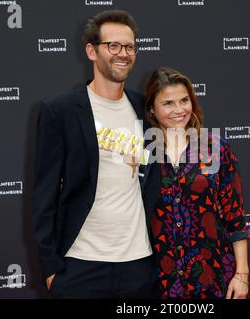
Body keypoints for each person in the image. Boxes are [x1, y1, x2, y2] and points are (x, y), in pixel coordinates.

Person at [33, 9, 156, 298]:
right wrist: (51, 270)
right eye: (113, 45)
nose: (122, 54)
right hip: (81, 265)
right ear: (91, 51)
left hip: (139, 264)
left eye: (129, 46)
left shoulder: (146, 111)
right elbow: (44, 196)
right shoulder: (59, 111)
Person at [143, 67, 250, 299]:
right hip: (161, 280)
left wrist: (241, 275)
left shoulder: (215, 148)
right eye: (168, 103)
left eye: (184, 100)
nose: (179, 110)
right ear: (152, 108)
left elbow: (236, 217)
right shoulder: (143, 153)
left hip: (214, 276)